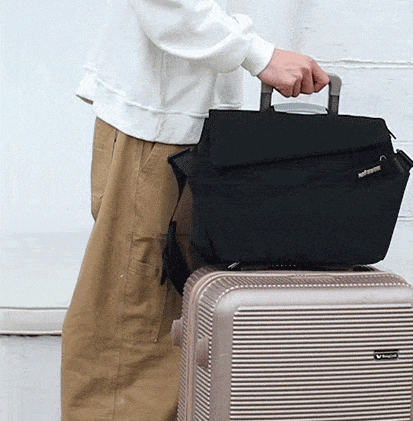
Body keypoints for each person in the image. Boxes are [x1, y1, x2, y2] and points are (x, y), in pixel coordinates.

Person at [60, 1, 329, 420]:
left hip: (175, 112)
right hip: (161, 118)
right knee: (135, 319)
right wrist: (258, 54)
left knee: (164, 313)